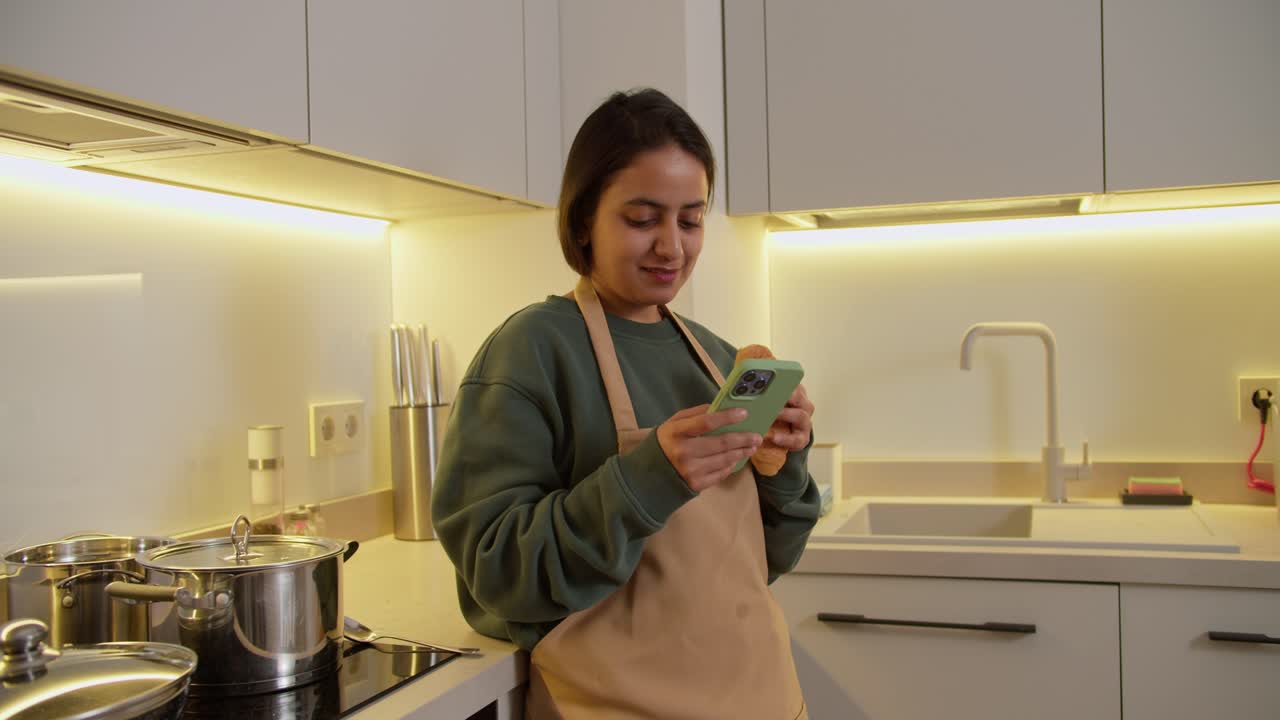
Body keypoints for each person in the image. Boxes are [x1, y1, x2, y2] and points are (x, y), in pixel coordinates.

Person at [432, 88, 820, 720]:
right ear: (583, 219)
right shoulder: (530, 351)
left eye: (690, 220)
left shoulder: (719, 358)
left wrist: (784, 466)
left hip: (764, 700)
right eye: (643, 219)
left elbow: (769, 561)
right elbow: (496, 572)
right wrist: (650, 479)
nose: (671, 246)